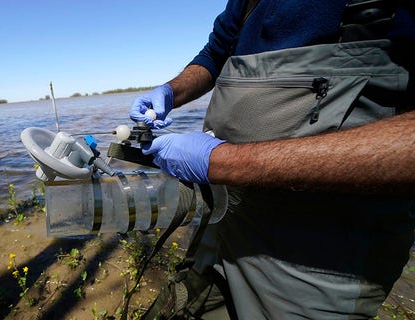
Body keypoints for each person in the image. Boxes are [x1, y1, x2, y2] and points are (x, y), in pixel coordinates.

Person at [130, 0, 414, 319]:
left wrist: (223, 162)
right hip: (225, 221)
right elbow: (216, 52)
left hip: (316, 256)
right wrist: (171, 91)